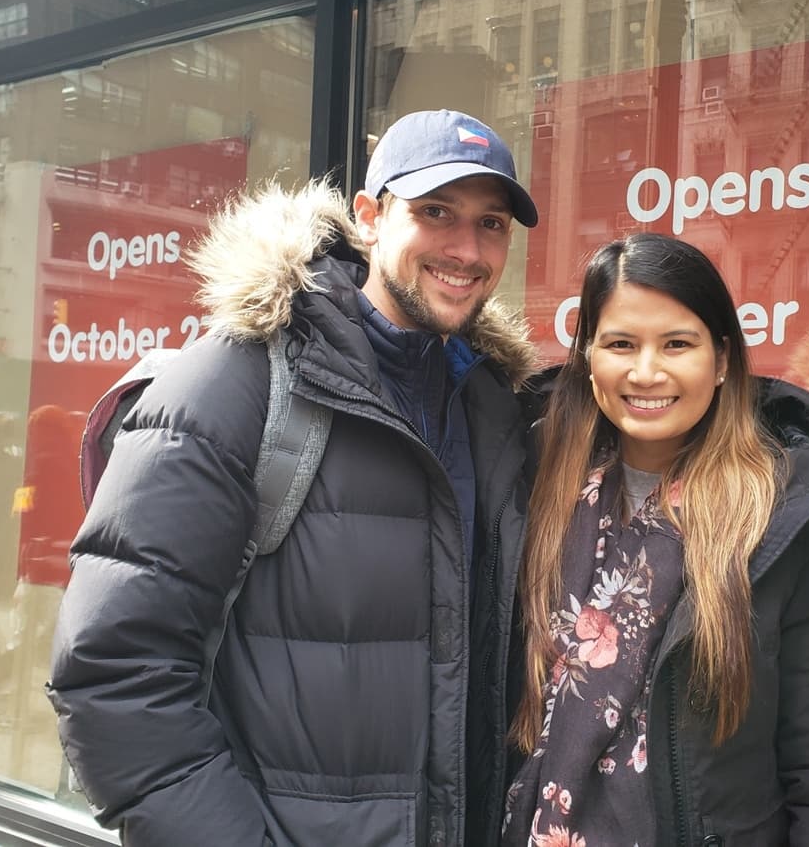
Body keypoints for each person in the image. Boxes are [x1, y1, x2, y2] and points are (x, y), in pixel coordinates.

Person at [48, 109, 542, 847]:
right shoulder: (242, 378)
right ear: (370, 219)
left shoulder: (489, 406)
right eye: (435, 212)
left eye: (492, 223)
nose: (467, 248)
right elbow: (116, 673)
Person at [502, 234, 809, 847]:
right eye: (620, 344)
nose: (646, 371)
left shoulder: (791, 521)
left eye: (677, 344)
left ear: (724, 359)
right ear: (587, 356)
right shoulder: (528, 486)